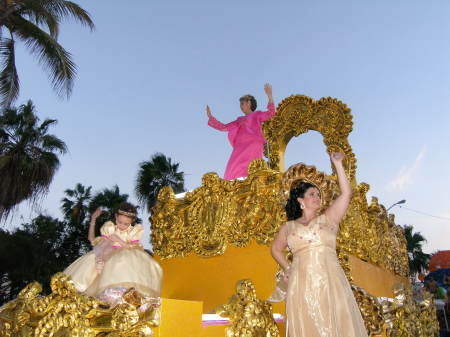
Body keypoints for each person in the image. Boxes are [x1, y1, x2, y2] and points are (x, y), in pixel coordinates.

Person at [271, 153, 368, 337]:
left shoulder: (329, 218)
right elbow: (275, 249)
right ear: (300, 200)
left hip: (330, 280)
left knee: (336, 323)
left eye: (318, 194)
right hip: (301, 283)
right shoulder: (288, 227)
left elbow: (347, 193)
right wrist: (288, 268)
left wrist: (337, 164)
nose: (317, 197)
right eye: (312, 194)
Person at [64, 202, 162, 307]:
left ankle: (126, 296)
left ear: (132, 222)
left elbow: (134, 248)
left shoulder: (134, 232)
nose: (122, 226)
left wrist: (119, 240)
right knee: (92, 262)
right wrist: (93, 220)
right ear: (115, 217)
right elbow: (93, 240)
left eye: (126, 224)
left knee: (124, 260)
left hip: (126, 258)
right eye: (120, 222)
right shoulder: (109, 229)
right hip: (108, 255)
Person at [206, 83, 275, 180]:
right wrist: (211, 117)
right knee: (231, 169)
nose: (241, 106)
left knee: (252, 169)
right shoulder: (239, 119)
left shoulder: (257, 115)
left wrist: (269, 96)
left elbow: (271, 114)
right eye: (240, 104)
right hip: (239, 146)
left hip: (253, 144)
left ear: (249, 103)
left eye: (242, 103)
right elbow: (224, 127)